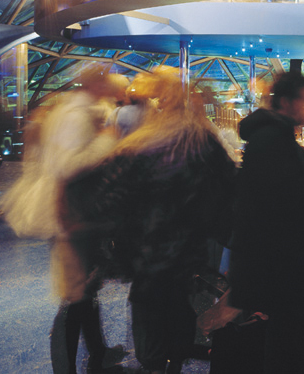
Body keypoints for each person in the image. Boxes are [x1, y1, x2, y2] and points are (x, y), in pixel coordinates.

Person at [86, 67, 236, 374]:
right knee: (174, 312)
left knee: (152, 317)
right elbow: (228, 185)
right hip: (182, 251)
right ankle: (170, 360)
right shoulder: (199, 139)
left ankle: (158, 362)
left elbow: (109, 194)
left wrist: (114, 245)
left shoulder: (144, 141)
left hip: (148, 252)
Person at [1, 65, 127, 374]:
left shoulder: (78, 110)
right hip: (71, 217)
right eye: (105, 82)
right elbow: (66, 166)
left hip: (76, 215)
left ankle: (97, 353)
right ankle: (66, 365)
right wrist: (105, 141)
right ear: (96, 85)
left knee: (85, 290)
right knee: (75, 295)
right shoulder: (76, 115)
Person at [227, 71, 304, 374]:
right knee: (290, 335)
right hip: (283, 260)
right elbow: (282, 199)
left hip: (279, 258)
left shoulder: (271, 135)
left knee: (285, 332)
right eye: (303, 100)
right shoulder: (272, 139)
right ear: (286, 102)